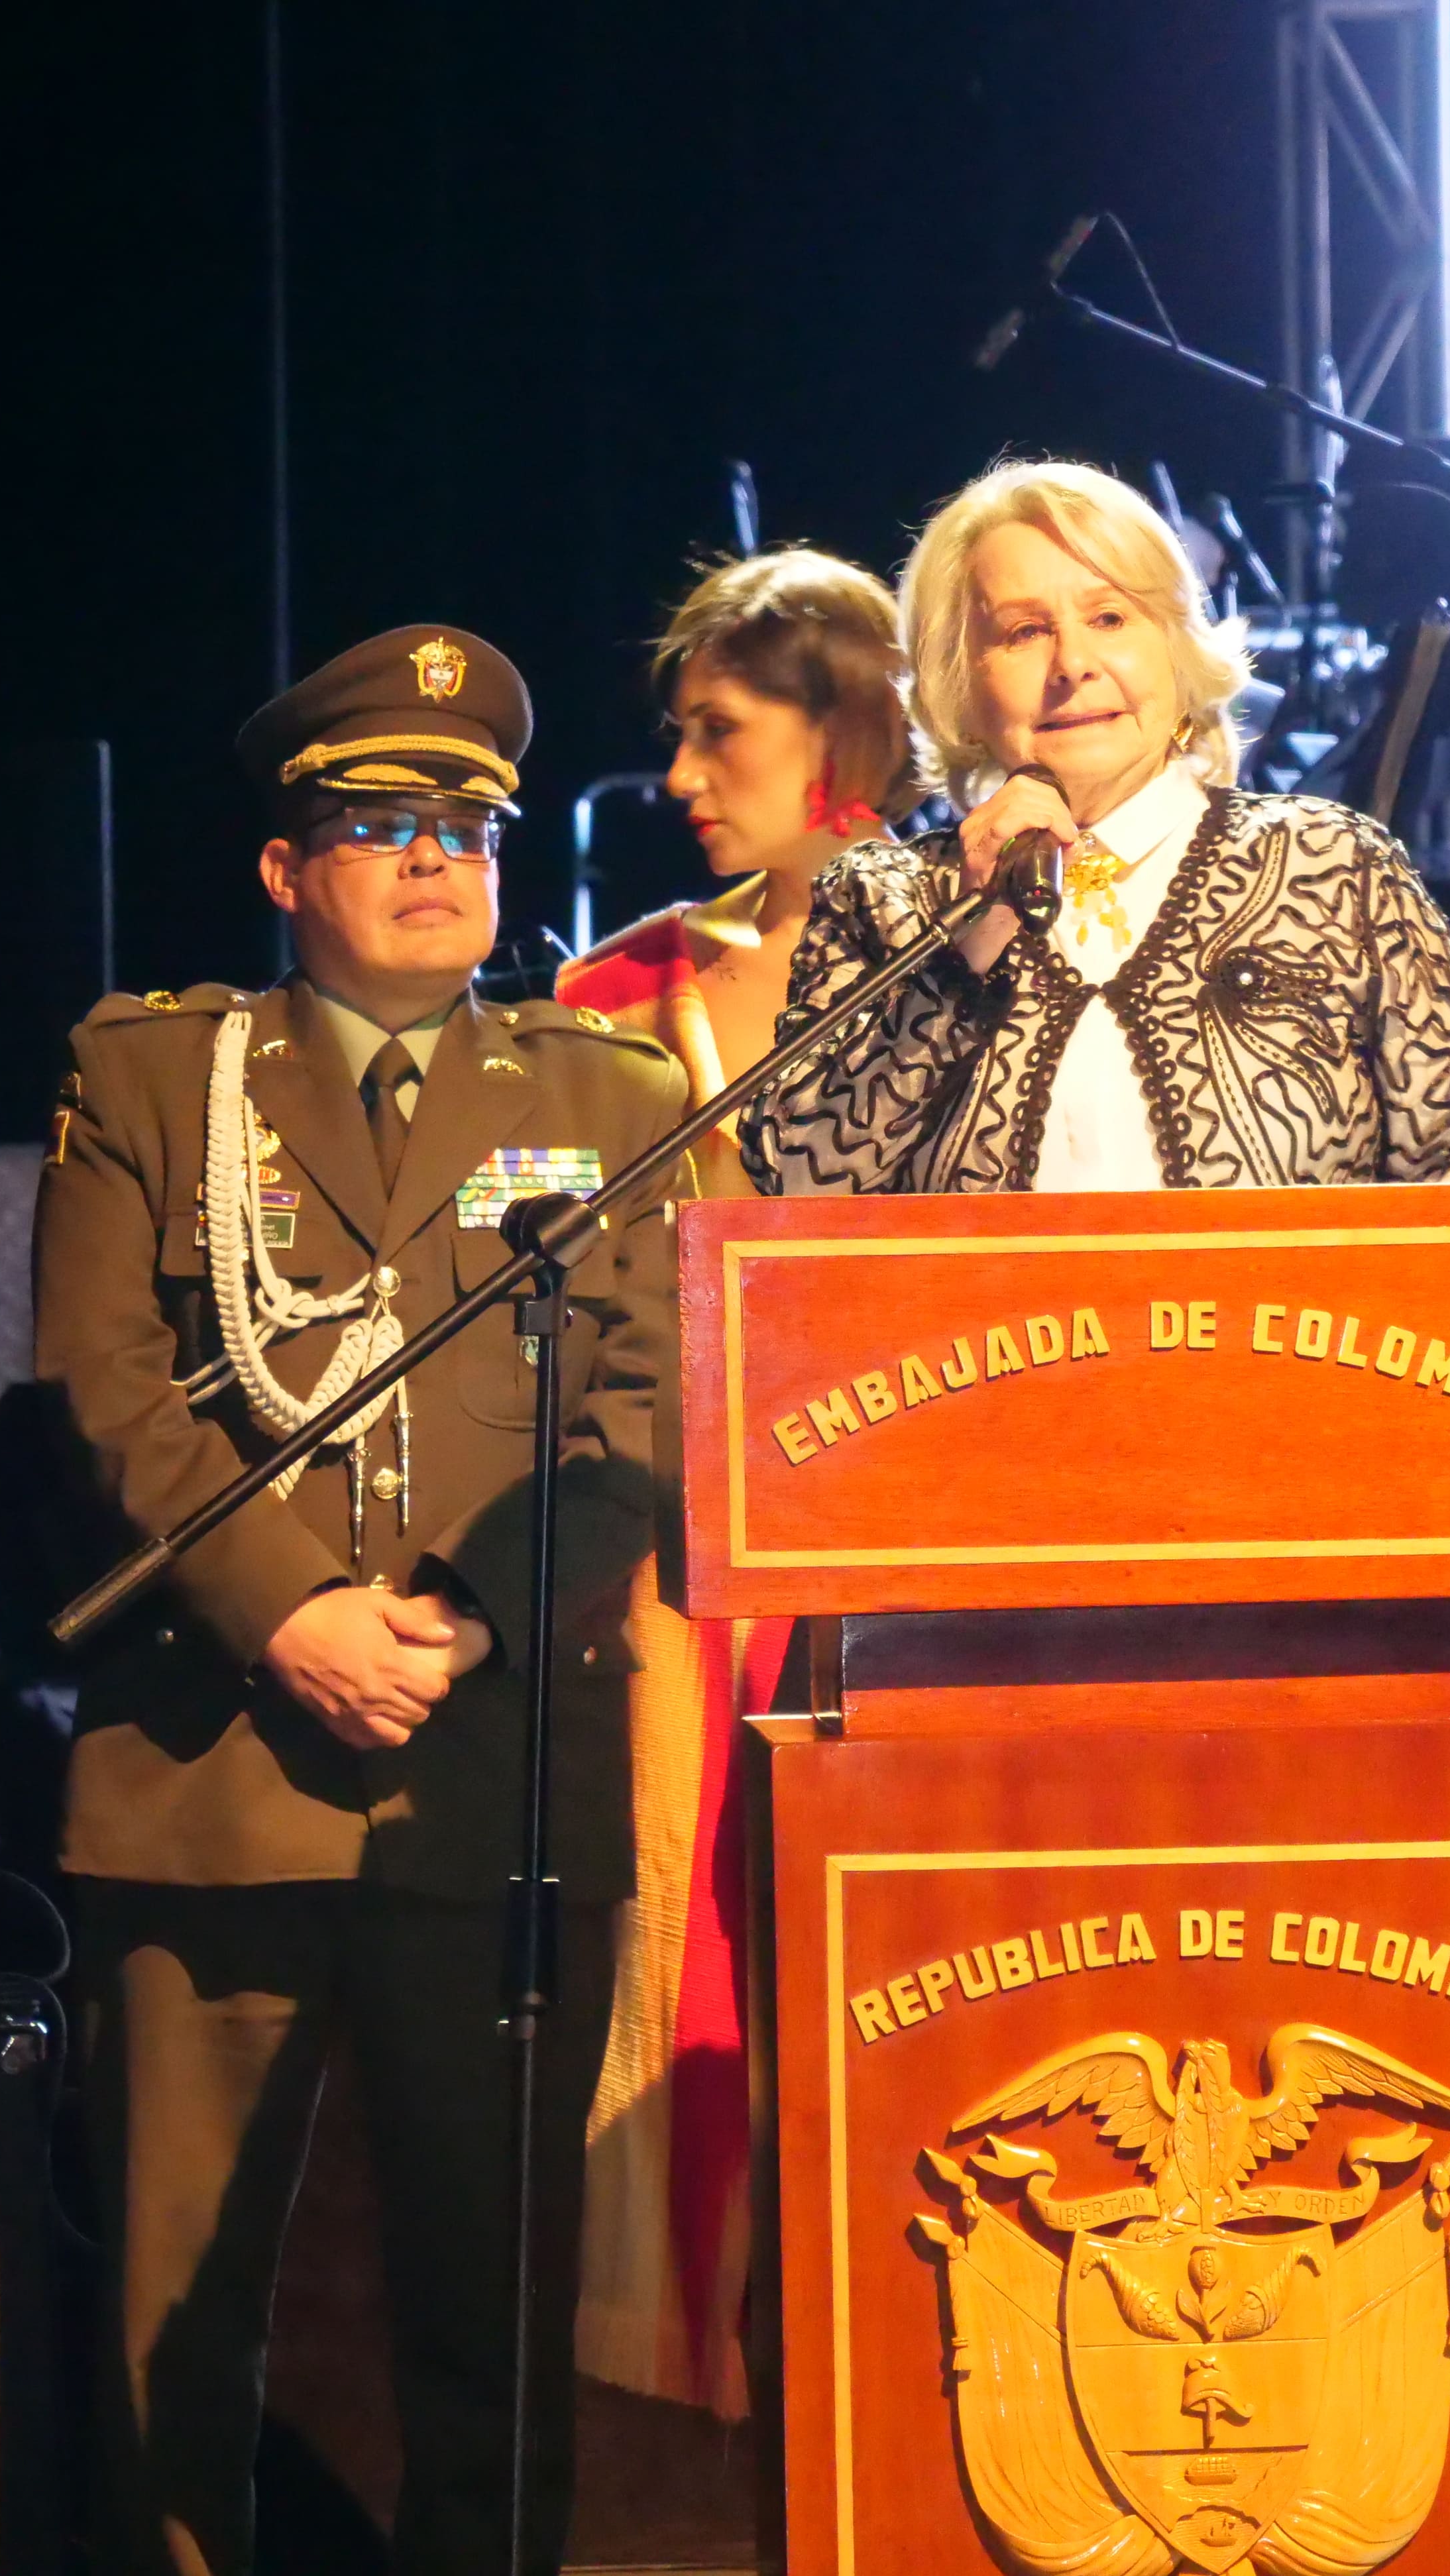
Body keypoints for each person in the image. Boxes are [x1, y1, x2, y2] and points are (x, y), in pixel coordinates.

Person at [38, 625, 690, 2575]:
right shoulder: (154, 1072)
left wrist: (476, 1618)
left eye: (470, 827)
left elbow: (654, 1408)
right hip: (215, 1772)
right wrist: (292, 1619)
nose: (435, 861)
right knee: (173, 2340)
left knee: (486, 2332)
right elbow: (98, 1386)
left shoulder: (608, 1083)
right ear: (282, 867)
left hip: (484, 1787)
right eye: (381, 821)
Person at [549, 549, 910, 2419]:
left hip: (922, 1538)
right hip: (691, 1554)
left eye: (721, 732)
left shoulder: (980, 960)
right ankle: (700, 2343)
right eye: (678, 737)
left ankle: (915, 2333)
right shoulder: (617, 989)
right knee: (682, 1937)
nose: (682, 776)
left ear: (846, 726)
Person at [741, 460, 1450, 1195]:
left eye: (1111, 619)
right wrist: (970, 945)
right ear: (961, 683)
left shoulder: (1334, 867)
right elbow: (796, 1191)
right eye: (1023, 632)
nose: (1073, 665)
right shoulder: (883, 903)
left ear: (1176, 648)